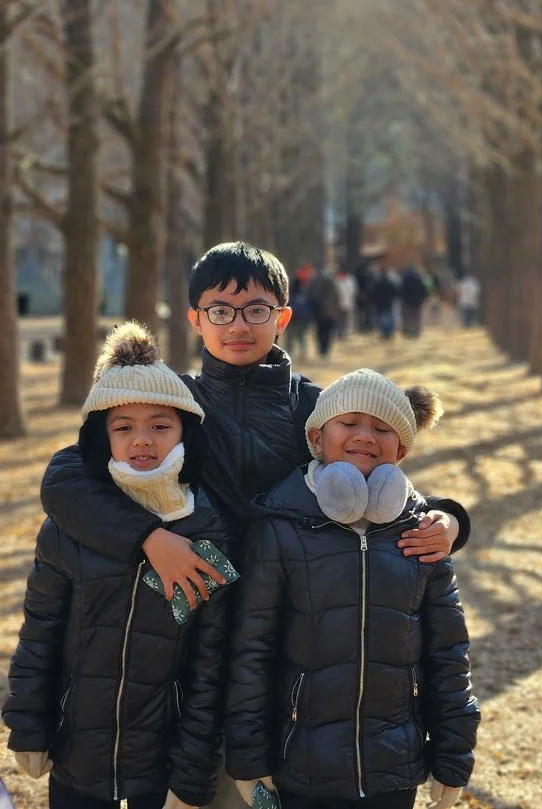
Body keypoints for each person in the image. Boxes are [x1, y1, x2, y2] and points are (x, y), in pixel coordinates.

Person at [39, 243, 470, 809]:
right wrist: (148, 539)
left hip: (287, 642)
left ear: (284, 317)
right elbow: (67, 479)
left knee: (260, 789)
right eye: (220, 310)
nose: (237, 325)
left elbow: (380, 479)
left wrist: (451, 518)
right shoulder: (175, 402)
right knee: (189, 785)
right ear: (194, 318)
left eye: (256, 310)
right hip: (186, 632)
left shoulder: (316, 409)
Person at [3, 323, 234, 809]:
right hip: (77, 752)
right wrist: (28, 724)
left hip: (161, 759)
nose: (142, 440)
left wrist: (191, 775)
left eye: (160, 424)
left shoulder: (208, 532)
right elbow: (40, 631)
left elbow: (209, 667)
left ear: (185, 432)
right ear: (100, 436)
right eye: (123, 427)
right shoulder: (70, 525)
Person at [225, 369, 480, 809]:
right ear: (316, 438)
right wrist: (248, 756)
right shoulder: (279, 528)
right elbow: (252, 648)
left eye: (382, 428)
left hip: (393, 767)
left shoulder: (423, 533)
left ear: (400, 452)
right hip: (301, 764)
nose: (365, 435)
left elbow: (449, 654)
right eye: (349, 423)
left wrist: (453, 753)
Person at [306, 267, 341, 357]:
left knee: (320, 332)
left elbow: (310, 295)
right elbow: (336, 299)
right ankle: (325, 350)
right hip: (328, 313)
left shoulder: (315, 282)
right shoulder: (333, 284)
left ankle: (322, 349)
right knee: (327, 332)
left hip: (319, 313)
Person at [369, 264, 400, 340]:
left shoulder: (377, 282)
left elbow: (373, 293)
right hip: (388, 303)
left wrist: (374, 300)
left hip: (380, 303)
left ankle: (384, 333)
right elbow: (395, 292)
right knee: (389, 318)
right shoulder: (390, 282)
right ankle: (389, 332)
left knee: (382, 319)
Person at [399, 265, 429, 338]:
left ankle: (408, 332)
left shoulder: (405, 279)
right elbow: (424, 290)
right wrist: (422, 299)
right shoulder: (418, 279)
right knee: (416, 317)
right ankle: (415, 332)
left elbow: (401, 290)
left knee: (407, 318)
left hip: (407, 301)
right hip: (417, 301)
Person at [334, 267, 357, 339]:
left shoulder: (350, 281)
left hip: (347, 303)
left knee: (346, 320)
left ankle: (344, 333)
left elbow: (353, 292)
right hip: (338, 304)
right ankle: (339, 333)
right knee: (339, 320)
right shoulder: (336, 281)